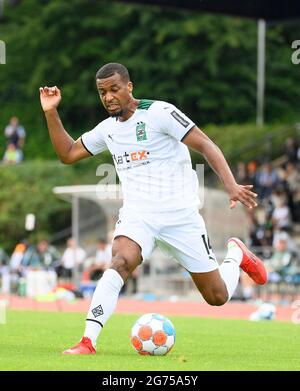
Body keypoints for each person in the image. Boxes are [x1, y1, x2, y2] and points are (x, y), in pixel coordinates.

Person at [39, 62, 267, 355]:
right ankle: (88, 341)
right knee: (121, 260)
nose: (108, 97)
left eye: (114, 89)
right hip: (139, 217)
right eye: (102, 92)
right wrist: (51, 112)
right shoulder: (107, 130)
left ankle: (235, 254)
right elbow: (67, 153)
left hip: (181, 218)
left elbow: (206, 145)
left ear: (129, 87)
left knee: (217, 297)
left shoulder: (159, 113)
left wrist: (231, 184)